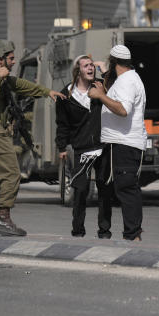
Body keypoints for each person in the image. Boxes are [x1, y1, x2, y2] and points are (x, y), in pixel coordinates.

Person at [0, 39, 64, 237]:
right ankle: (3, 218)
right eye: (11, 59)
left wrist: (47, 92)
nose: (14, 62)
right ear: (0, 60)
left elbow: (22, 85)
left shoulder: (1, 77)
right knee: (12, 174)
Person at [88, 45, 147, 241]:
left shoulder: (128, 81)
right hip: (117, 143)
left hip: (125, 143)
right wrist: (104, 76)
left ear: (114, 62)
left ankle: (133, 235)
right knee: (112, 187)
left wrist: (100, 96)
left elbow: (123, 110)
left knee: (126, 188)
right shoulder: (125, 79)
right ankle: (120, 233)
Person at [56, 54, 112, 239]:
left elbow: (117, 89)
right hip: (82, 148)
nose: (90, 68)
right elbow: (62, 123)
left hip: (103, 145)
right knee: (80, 189)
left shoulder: (100, 86)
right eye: (86, 65)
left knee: (105, 188)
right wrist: (62, 147)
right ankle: (78, 230)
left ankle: (104, 230)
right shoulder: (66, 94)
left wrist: (104, 70)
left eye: (92, 66)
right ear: (77, 70)